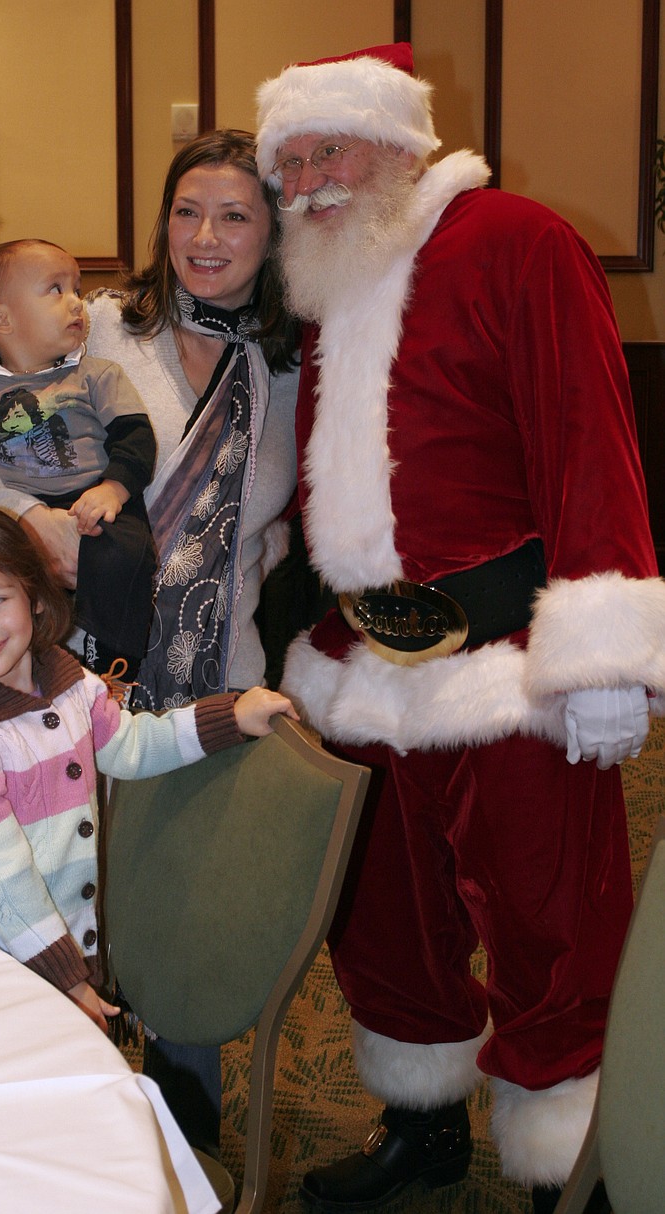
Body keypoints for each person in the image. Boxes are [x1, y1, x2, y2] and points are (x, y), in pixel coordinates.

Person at [255, 42, 665, 1214]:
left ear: (394, 144)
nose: (306, 179)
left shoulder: (519, 243)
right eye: (288, 159)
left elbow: (589, 440)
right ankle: (422, 1123)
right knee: (383, 918)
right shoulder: (330, 275)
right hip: (357, 665)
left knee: (551, 922)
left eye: (326, 148)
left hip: (506, 663)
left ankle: (565, 1156)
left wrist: (602, 655)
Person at [0, 130, 303, 1159]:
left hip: (210, 681)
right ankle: (49, 1125)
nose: (205, 235)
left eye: (234, 214)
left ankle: (177, 1132)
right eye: (186, 210)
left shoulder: (284, 366)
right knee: (43, 895)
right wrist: (32, 520)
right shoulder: (95, 327)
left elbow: (277, 516)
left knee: (183, 916)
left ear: (270, 229)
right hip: (58, 677)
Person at [0, 503, 297, 1036]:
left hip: (60, 946)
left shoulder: (67, 680)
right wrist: (66, 976)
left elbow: (129, 745)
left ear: (32, 596)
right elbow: (0, 878)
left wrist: (228, 716)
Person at [0, 238, 158, 678]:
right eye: (55, 290)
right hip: (18, 507)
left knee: (124, 554)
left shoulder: (95, 375)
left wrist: (113, 489)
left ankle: (117, 662)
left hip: (94, 495)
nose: (77, 303)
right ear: (1, 318)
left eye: (76, 288)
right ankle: (15, 664)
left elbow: (134, 437)